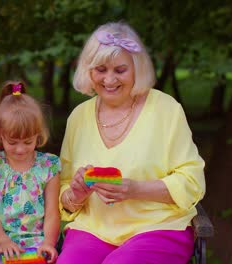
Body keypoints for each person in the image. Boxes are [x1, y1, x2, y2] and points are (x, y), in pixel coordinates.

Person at [56, 22, 206, 264]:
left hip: (158, 227)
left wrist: (134, 189)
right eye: (101, 69)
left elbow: (192, 182)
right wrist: (75, 194)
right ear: (88, 70)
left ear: (137, 69)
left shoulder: (166, 110)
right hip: (94, 229)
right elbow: (63, 191)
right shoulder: (78, 117)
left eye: (120, 70)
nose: (109, 79)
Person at [0, 81, 61, 264]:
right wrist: (3, 241)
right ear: (0, 133)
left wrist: (48, 242)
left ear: (38, 133)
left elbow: (52, 212)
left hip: (37, 240)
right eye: (12, 142)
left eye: (28, 142)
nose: (20, 149)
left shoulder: (48, 165)